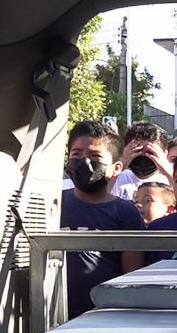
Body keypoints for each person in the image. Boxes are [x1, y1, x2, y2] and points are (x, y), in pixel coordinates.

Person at [60, 120, 145, 318]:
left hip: (104, 316)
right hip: (52, 313)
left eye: (95, 156)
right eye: (76, 154)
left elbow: (132, 276)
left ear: (116, 168)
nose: (84, 161)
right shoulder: (53, 204)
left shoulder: (125, 212)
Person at [111, 121, 172, 201]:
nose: (143, 156)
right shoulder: (116, 178)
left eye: (150, 152)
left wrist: (169, 174)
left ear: (164, 154)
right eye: (136, 151)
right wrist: (119, 166)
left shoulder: (175, 178)